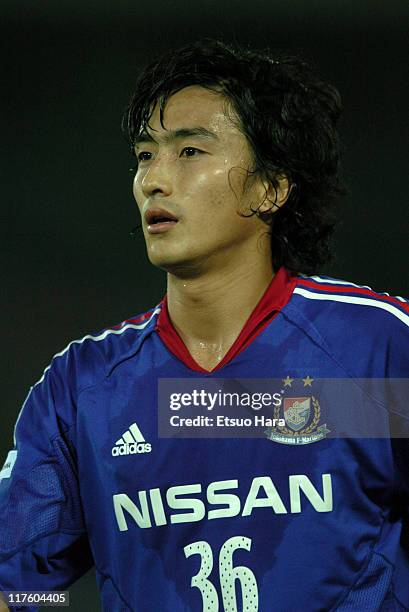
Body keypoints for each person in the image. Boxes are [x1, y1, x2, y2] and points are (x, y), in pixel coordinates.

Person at [1, 38, 408, 612]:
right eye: (145, 156)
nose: (153, 181)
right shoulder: (82, 391)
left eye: (190, 151)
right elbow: (16, 587)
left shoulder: (375, 351)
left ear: (272, 187)